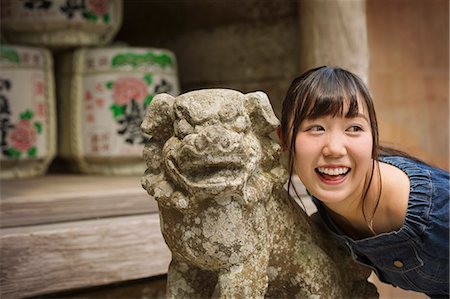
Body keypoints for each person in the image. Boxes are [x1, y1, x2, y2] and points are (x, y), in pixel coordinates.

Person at [277, 66, 449, 298]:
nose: (335, 149)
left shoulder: (433, 213)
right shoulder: (322, 190)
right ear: (283, 138)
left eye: (354, 128)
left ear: (372, 137)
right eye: (316, 128)